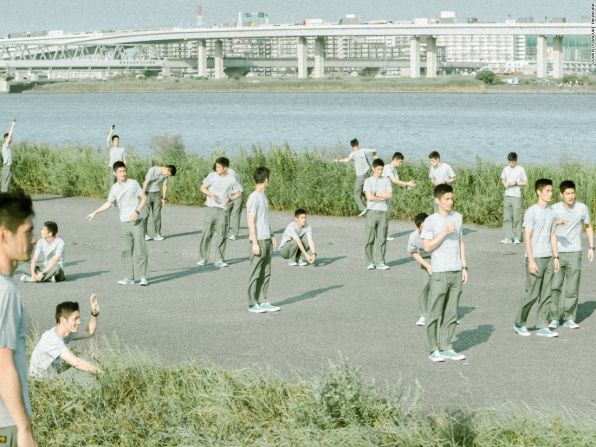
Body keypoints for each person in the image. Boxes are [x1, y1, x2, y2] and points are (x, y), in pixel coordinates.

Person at [0, 192, 37, 446]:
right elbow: (4, 364)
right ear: (4, 234)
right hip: (6, 423)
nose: (33, 240)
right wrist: (24, 429)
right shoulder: (6, 291)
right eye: (27, 232)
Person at [421, 184, 468, 362]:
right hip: (440, 271)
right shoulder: (430, 221)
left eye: (451, 198)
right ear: (437, 200)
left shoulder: (458, 217)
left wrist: (464, 267)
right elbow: (427, 246)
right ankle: (433, 349)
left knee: (451, 312)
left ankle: (446, 346)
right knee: (434, 312)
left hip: (456, 270)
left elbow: (461, 242)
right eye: (446, 199)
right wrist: (443, 233)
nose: (450, 202)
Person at [86, 161, 149, 286]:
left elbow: (144, 198)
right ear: (115, 173)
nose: (123, 173)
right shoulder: (114, 187)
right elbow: (109, 203)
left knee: (140, 249)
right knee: (126, 251)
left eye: (124, 171)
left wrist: (137, 211)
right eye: (120, 171)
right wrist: (95, 212)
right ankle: (129, 277)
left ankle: (143, 277)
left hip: (137, 221)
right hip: (124, 222)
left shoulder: (133, 183)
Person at [513, 178, 559, 338]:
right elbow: (527, 236)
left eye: (551, 190)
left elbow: (553, 235)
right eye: (547, 190)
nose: (550, 193)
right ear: (538, 192)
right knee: (532, 293)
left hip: (548, 257)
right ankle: (519, 322)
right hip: (536, 257)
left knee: (547, 293)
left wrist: (556, 257)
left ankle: (542, 325)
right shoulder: (532, 211)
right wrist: (531, 260)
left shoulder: (553, 212)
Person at [549, 180, 594, 330]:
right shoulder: (554, 209)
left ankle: (569, 317)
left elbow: (588, 227)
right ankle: (554, 317)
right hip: (557, 253)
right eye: (567, 193)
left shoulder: (582, 208)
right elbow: (546, 229)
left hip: (575, 252)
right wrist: (556, 224)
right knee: (555, 286)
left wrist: (591, 247)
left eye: (573, 193)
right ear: (561, 194)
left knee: (572, 288)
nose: (571, 196)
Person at [29, 295, 100, 377]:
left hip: (50, 380)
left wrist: (94, 314)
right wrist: (102, 373)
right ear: (63, 320)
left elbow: (89, 332)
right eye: (75, 319)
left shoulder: (64, 333)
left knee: (83, 359)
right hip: (39, 384)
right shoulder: (52, 339)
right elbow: (77, 363)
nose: (79, 322)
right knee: (80, 362)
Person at [246, 167, 280, 314]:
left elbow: (264, 220)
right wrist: (254, 242)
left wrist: (271, 235)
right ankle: (252, 303)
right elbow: (250, 221)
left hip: (266, 239)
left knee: (266, 272)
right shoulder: (254, 197)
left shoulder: (263, 196)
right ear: (266, 180)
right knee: (255, 273)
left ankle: (263, 300)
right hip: (258, 240)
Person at [198, 157, 242, 268]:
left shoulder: (232, 179)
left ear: (225, 168)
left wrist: (230, 199)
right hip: (211, 208)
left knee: (222, 234)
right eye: (216, 166)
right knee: (206, 234)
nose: (216, 168)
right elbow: (202, 188)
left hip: (223, 210)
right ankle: (203, 258)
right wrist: (209, 194)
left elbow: (238, 193)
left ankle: (219, 259)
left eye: (218, 167)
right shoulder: (212, 176)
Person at [335, 138, 378, 217]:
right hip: (368, 173)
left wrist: (338, 160)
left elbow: (346, 160)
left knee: (356, 194)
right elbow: (374, 150)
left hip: (361, 176)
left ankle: (363, 208)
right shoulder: (363, 150)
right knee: (364, 191)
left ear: (352, 146)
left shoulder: (353, 154)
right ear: (358, 144)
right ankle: (372, 204)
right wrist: (374, 158)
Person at [363, 159, 392, 270]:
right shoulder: (368, 181)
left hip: (383, 212)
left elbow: (389, 195)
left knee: (382, 238)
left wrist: (377, 194)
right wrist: (382, 196)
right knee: (369, 239)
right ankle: (370, 261)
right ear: (373, 169)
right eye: (378, 169)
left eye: (382, 169)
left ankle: (380, 261)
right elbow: (369, 197)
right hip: (372, 212)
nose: (380, 171)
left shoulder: (386, 180)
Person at [382, 152, 416, 240]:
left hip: (387, 194)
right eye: (400, 162)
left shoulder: (394, 169)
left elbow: (398, 181)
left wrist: (406, 186)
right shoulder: (387, 167)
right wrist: (407, 183)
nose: (400, 164)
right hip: (382, 194)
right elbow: (394, 181)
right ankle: (383, 235)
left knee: (385, 215)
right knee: (383, 215)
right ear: (395, 160)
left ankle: (382, 235)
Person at [407, 213, 431, 326]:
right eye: (423, 227)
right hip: (426, 260)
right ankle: (424, 315)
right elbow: (414, 252)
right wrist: (427, 265)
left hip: (440, 258)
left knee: (443, 287)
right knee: (425, 286)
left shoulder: (436, 232)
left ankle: (447, 315)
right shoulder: (414, 236)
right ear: (418, 227)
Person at [142, 165, 177, 241]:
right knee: (145, 214)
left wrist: (164, 198)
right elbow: (145, 182)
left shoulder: (166, 175)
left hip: (157, 194)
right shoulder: (153, 170)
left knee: (157, 215)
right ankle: (144, 234)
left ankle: (158, 234)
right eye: (167, 174)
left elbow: (165, 186)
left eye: (168, 175)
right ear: (167, 169)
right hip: (147, 193)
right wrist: (143, 195)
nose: (166, 176)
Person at [500, 152, 528, 244]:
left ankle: (517, 237)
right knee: (507, 217)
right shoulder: (505, 169)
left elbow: (525, 182)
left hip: (516, 195)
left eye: (512, 162)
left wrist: (516, 183)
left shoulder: (521, 169)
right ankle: (508, 237)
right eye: (509, 162)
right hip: (507, 195)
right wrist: (505, 184)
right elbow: (503, 179)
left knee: (517, 216)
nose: (511, 164)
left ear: (516, 161)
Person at [226, 164, 244, 241]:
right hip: (229, 195)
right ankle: (224, 232)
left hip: (237, 194)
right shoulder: (221, 173)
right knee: (225, 213)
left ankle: (234, 234)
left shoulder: (231, 173)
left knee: (235, 214)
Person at [106, 125, 126, 191]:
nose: (117, 141)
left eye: (117, 140)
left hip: (120, 169)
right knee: (112, 184)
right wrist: (111, 130)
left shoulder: (122, 149)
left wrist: (124, 169)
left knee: (120, 184)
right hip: (112, 168)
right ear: (113, 141)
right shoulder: (111, 149)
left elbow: (124, 160)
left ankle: (119, 199)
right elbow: (107, 140)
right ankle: (111, 200)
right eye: (115, 140)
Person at [1, 120, 16, 193]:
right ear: (6, 139)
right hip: (6, 167)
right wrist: (12, 126)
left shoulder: (7, 147)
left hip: (9, 167)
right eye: (10, 138)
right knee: (4, 185)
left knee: (6, 184)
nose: (11, 139)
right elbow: (9, 134)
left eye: (12, 138)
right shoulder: (5, 145)